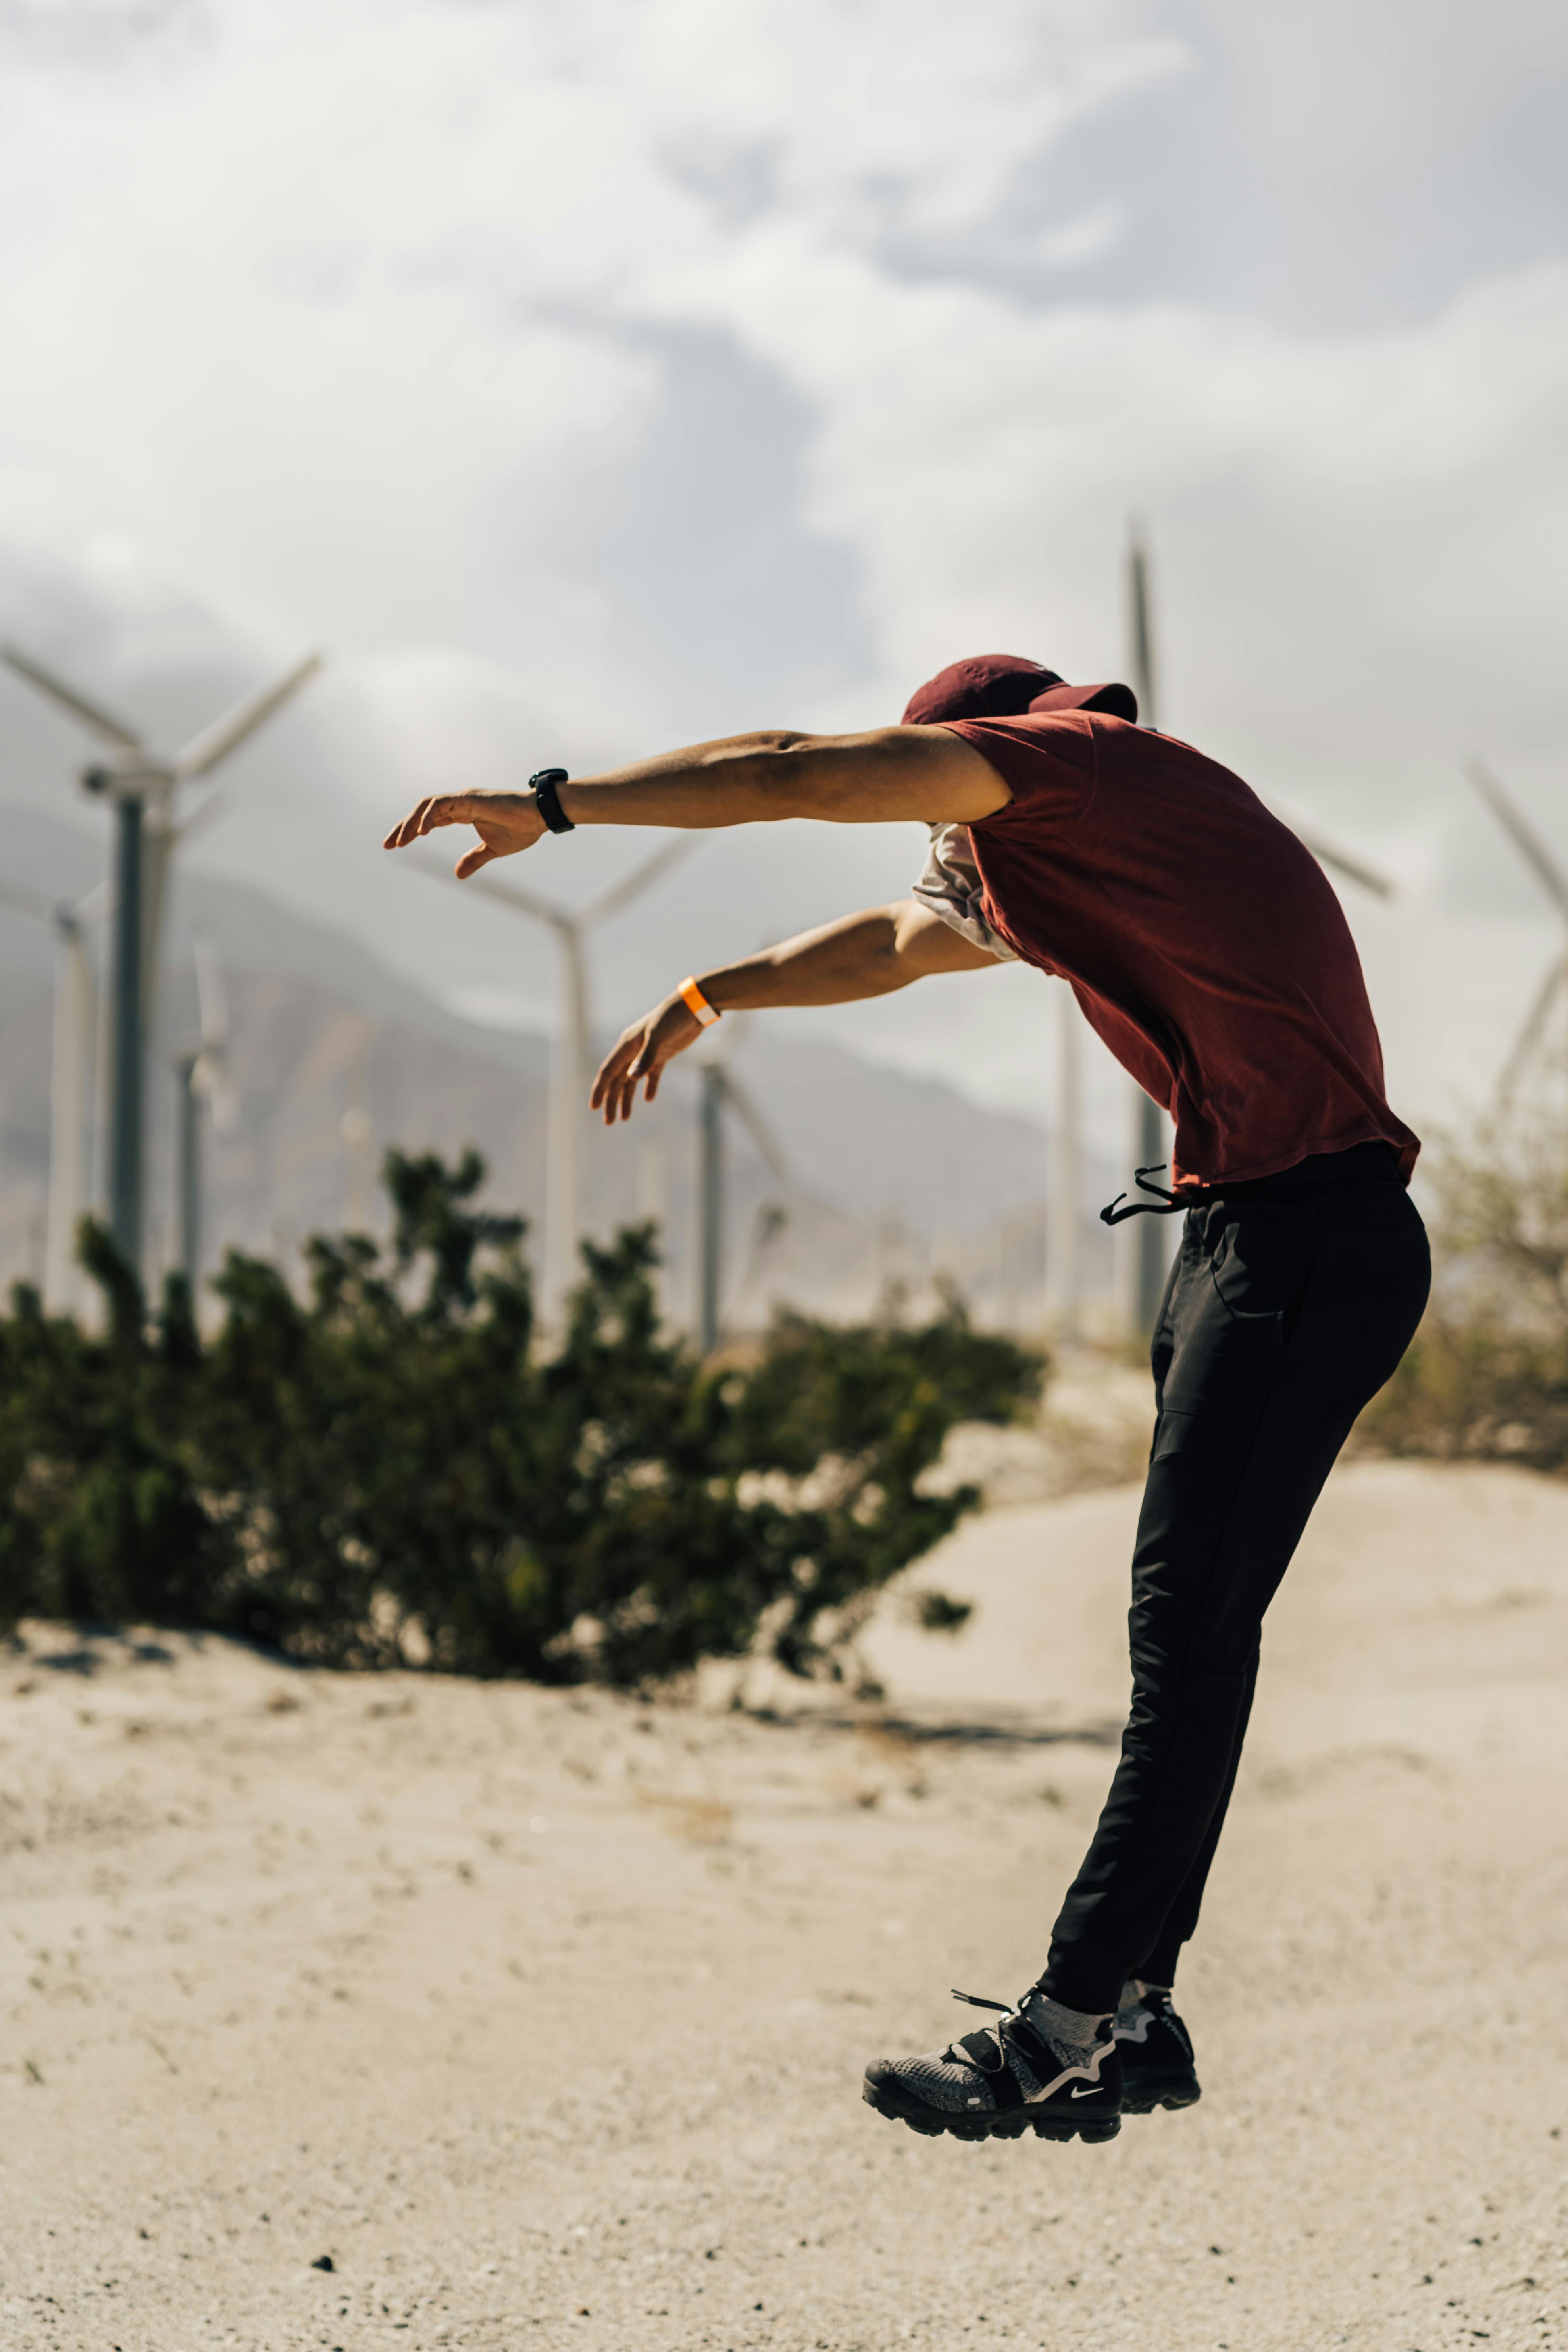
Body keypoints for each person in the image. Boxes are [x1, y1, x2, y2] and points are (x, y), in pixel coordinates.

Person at [383, 651, 1431, 2148]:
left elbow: (791, 768)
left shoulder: (1071, 769)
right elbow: (889, 939)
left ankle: (1065, 2024)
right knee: (1186, 1633)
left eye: (930, 792)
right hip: (1248, 1233)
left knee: (1182, 1631)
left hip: (1308, 1234)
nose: (930, 835)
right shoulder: (1055, 863)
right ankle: (1133, 2015)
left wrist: (556, 806)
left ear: (967, 751)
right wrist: (710, 989)